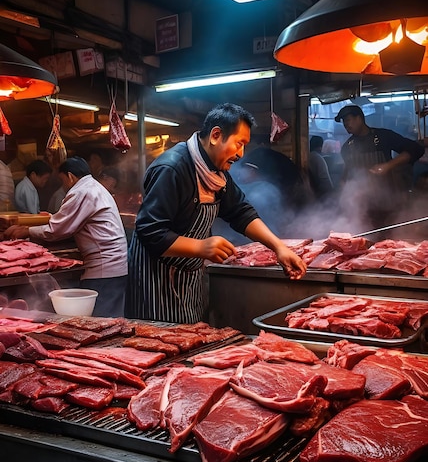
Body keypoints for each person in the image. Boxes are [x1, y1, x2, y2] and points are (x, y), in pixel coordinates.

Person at [125, 103, 306, 324]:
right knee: (157, 346)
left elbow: (240, 212)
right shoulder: (172, 169)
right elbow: (149, 230)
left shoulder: (216, 173)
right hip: (154, 281)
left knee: (189, 341)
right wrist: (200, 247)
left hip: (187, 279)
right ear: (216, 135)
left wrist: (278, 247)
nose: (241, 154)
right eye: (239, 144)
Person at [4, 157, 128, 317]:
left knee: (102, 322)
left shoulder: (82, 191)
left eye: (63, 180)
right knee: (109, 320)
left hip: (105, 268)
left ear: (70, 176)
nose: (64, 186)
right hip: (113, 265)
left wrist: (26, 231)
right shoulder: (94, 187)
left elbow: (57, 229)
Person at [336, 104, 424, 227]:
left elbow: (416, 149)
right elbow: (348, 173)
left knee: (391, 240)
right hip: (363, 207)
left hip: (389, 203)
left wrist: (388, 165)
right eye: (343, 122)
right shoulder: (347, 147)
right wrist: (345, 191)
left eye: (348, 120)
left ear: (359, 118)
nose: (346, 125)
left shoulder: (383, 137)